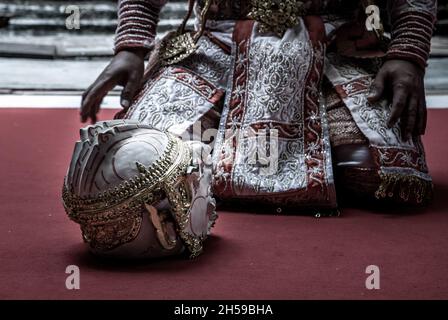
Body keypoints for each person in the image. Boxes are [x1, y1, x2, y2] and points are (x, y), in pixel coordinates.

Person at [80, 0, 437, 214]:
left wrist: (408, 52)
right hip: (217, 53)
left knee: (375, 172)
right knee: (140, 161)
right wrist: (132, 46)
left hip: (333, 50)